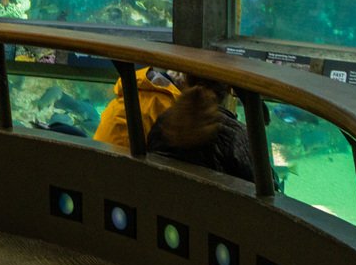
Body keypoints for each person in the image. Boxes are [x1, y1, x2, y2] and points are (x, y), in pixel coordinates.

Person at [93, 67, 254, 184]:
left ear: (186, 80)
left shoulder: (164, 121)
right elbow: (264, 188)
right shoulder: (235, 135)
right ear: (228, 90)